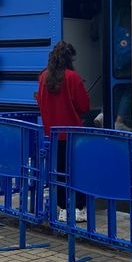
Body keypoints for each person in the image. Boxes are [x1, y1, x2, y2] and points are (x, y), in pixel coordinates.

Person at [36, 41, 90, 222]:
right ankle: (78, 208)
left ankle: (62, 209)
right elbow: (84, 106)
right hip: (72, 135)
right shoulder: (73, 78)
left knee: (58, 172)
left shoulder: (43, 77)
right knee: (76, 172)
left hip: (51, 135)